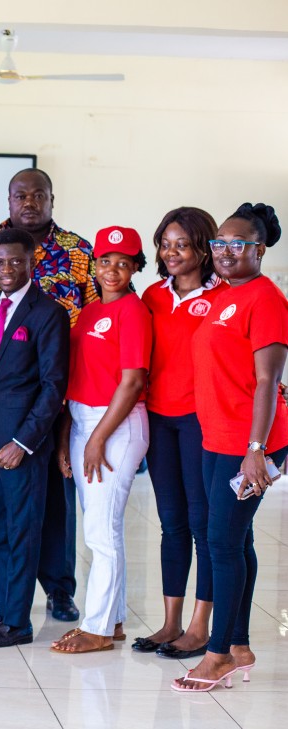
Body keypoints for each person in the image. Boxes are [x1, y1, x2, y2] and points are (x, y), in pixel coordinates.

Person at [0, 168, 94, 622]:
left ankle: (59, 589)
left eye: (38, 195)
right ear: (9, 200)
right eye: (20, 195)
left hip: (62, 388)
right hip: (3, 394)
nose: (29, 202)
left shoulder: (78, 251)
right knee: (3, 504)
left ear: (51, 199)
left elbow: (100, 309)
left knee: (55, 497)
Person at [174, 203, 288, 692]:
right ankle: (239, 645)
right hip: (216, 437)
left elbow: (267, 381)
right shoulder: (225, 295)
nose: (224, 251)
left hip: (248, 444)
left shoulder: (266, 300)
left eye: (236, 243)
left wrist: (256, 449)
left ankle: (217, 654)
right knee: (234, 540)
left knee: (221, 543)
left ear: (258, 250)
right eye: (219, 243)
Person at [0, 228, 69, 647]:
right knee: (2, 533)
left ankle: (19, 624)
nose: (6, 269)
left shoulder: (49, 313)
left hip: (23, 446)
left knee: (23, 533)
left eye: (15, 262)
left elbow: (53, 386)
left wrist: (23, 442)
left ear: (31, 262)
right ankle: (5, 614)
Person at [53, 226, 151, 654]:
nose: (113, 270)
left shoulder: (134, 311)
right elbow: (77, 378)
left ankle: (96, 628)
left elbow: (132, 383)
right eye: (106, 261)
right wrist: (68, 437)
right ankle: (113, 620)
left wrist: (96, 440)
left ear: (135, 268)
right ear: (94, 265)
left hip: (116, 425)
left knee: (100, 530)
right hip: (83, 421)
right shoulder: (91, 311)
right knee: (102, 525)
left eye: (123, 263)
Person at [134, 208, 223, 659]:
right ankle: (170, 623)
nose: (171, 253)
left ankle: (200, 627)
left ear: (203, 249)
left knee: (203, 524)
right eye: (165, 245)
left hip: (201, 421)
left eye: (182, 245)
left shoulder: (224, 295)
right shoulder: (153, 295)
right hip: (159, 418)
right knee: (172, 523)